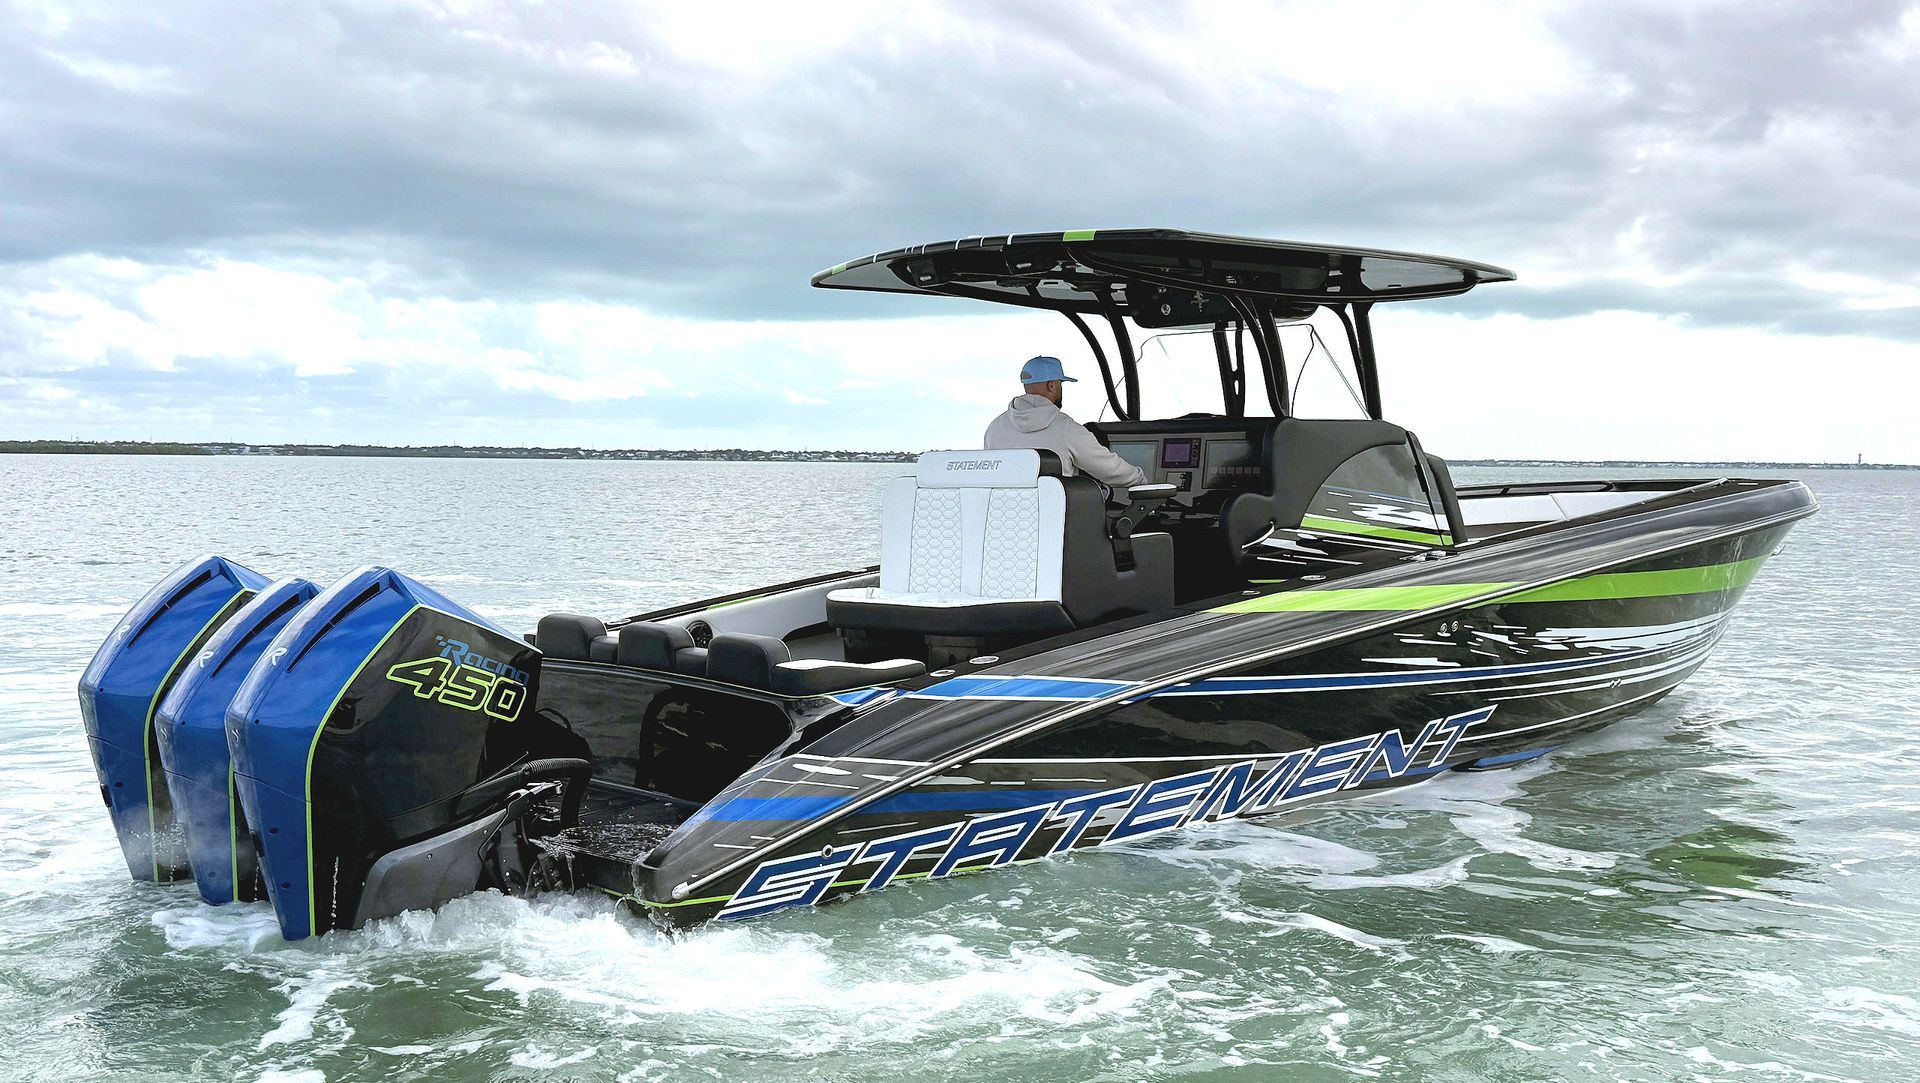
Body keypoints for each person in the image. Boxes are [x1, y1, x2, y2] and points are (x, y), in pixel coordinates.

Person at [982, 356, 1147, 488]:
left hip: (1012, 523)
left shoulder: (995, 428)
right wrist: (1143, 481)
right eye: (1060, 384)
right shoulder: (1065, 429)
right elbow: (1111, 470)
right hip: (1060, 524)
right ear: (1052, 385)